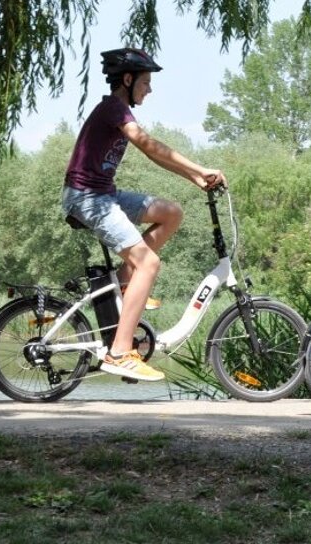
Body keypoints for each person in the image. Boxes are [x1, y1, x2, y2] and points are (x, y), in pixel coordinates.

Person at [61, 48, 225, 381]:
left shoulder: (119, 111)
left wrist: (196, 179)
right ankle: (120, 352)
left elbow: (155, 157)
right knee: (149, 264)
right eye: (146, 82)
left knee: (171, 213)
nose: (149, 89)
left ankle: (124, 285)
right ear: (128, 79)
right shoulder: (113, 109)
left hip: (104, 194)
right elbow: (150, 146)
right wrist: (201, 166)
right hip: (87, 198)